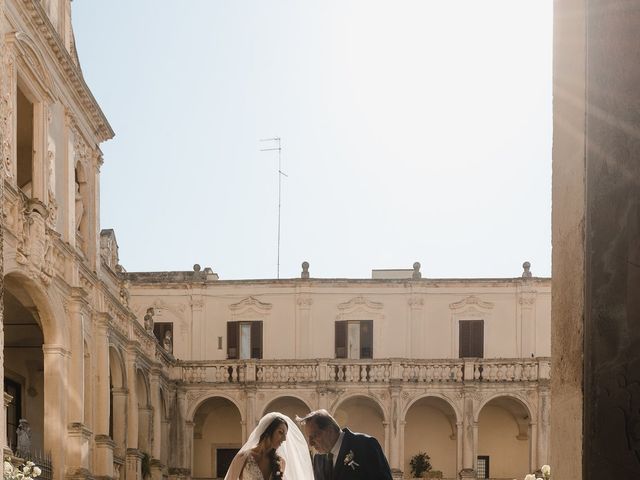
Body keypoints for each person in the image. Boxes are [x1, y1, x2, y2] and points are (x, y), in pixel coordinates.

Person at [299, 409, 392, 480]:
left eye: (314, 436)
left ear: (330, 430)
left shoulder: (366, 445)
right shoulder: (318, 459)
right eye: (309, 438)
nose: (310, 443)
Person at [225, 412, 313, 480]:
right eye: (280, 432)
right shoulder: (243, 457)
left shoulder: (281, 462)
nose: (284, 439)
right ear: (268, 431)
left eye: (285, 434)